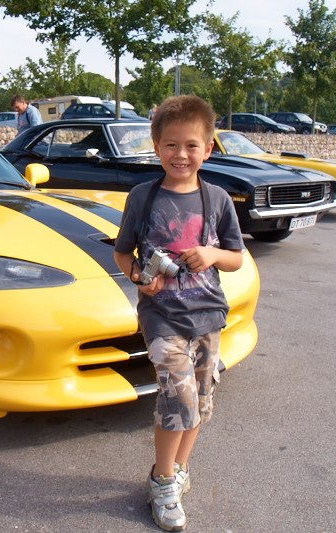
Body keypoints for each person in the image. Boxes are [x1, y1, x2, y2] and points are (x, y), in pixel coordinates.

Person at [113, 95, 244, 532]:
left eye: (192, 146)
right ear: (156, 146)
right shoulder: (143, 197)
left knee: (201, 403)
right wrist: (137, 276)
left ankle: (180, 469)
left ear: (208, 148)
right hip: (162, 316)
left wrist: (211, 253)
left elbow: (236, 258)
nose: (181, 155)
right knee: (179, 399)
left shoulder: (219, 198)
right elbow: (121, 252)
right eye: (171, 145)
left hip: (207, 314)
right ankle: (163, 480)